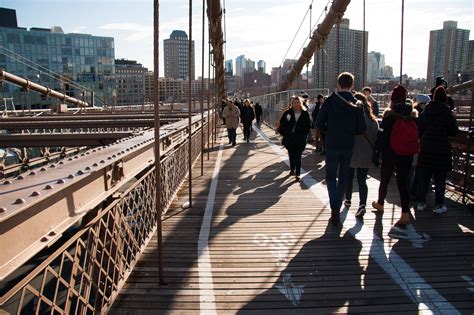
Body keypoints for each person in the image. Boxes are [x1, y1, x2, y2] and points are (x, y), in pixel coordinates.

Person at [316, 72, 366, 226]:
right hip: (348, 145)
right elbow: (361, 128)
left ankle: (335, 208)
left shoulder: (330, 101)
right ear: (352, 85)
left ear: (338, 84)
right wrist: (350, 132)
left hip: (331, 145)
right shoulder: (358, 104)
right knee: (344, 177)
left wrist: (329, 131)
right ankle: (337, 206)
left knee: (331, 177)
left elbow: (318, 124)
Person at [371, 85, 418, 226]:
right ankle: (404, 213)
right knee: (403, 182)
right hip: (407, 153)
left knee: (385, 179)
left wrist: (377, 153)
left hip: (390, 153)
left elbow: (383, 136)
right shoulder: (412, 115)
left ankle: (380, 203)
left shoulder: (389, 115)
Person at [416, 86, 459, 214]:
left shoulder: (426, 112)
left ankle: (421, 203)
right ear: (445, 99)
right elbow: (454, 131)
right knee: (440, 179)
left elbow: (419, 128)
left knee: (424, 178)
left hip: (426, 148)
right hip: (441, 150)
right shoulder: (447, 113)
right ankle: (439, 205)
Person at [343, 92, 379, 218]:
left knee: (349, 178)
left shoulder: (350, 119)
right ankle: (362, 204)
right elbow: (375, 139)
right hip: (366, 153)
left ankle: (347, 199)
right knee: (362, 181)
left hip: (351, 152)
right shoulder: (373, 121)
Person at [278, 96, 311, 181]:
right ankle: (292, 169)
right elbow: (282, 123)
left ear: (300, 103)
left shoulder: (305, 113)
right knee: (291, 154)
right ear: (292, 104)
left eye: (297, 102)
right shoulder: (288, 112)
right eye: (294, 102)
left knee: (298, 155)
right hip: (290, 138)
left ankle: (298, 173)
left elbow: (308, 125)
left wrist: (304, 135)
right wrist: (285, 132)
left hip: (300, 138)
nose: (296, 104)